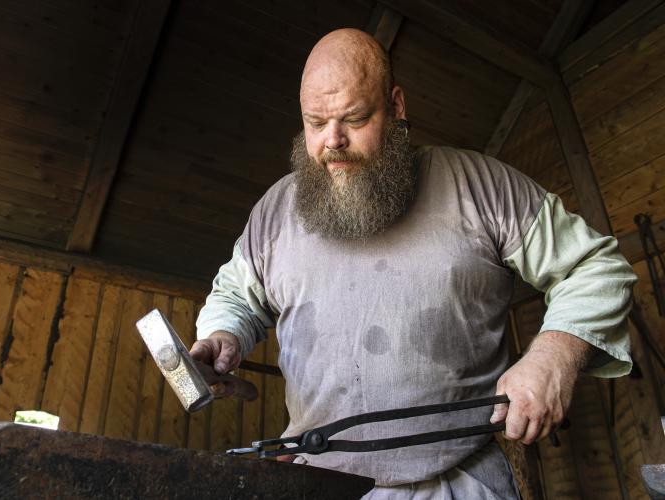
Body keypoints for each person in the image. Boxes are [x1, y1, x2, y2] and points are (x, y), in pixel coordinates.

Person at [189, 28, 635, 498]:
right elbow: (237, 293)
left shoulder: (480, 186)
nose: (332, 141)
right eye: (315, 123)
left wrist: (553, 355)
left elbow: (594, 265)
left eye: (354, 118)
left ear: (396, 106)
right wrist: (223, 333)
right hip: (317, 481)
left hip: (458, 481)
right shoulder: (276, 210)